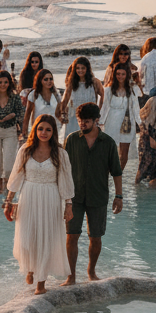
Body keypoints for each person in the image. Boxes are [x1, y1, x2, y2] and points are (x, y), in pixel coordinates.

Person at [4, 115, 74, 294]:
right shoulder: (25, 150)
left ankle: (41, 284)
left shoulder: (60, 153)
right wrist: (8, 202)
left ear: (53, 132)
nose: (44, 132)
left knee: (47, 239)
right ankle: (30, 268)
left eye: (48, 129)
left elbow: (66, 181)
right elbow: (16, 177)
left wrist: (68, 205)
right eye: (40, 128)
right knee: (28, 237)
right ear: (35, 130)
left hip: (51, 197)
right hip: (28, 195)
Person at [63, 103, 123, 285]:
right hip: (74, 197)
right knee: (71, 235)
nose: (82, 124)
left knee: (95, 237)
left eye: (86, 121)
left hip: (98, 196)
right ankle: (71, 276)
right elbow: (64, 170)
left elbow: (116, 171)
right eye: (80, 121)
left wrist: (119, 196)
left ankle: (91, 271)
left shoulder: (109, 143)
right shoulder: (71, 140)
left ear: (96, 120)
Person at [99, 63, 141, 172]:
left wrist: (140, 123)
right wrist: (99, 122)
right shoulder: (108, 90)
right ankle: (107, 174)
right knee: (109, 151)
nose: (120, 76)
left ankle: (117, 174)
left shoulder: (132, 89)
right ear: (114, 74)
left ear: (127, 75)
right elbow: (104, 107)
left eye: (123, 74)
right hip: (112, 122)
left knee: (124, 153)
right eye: (118, 74)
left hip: (127, 123)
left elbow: (136, 107)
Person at [59, 57, 103, 142]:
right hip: (73, 118)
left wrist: (98, 111)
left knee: (89, 142)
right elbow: (65, 101)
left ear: (87, 69)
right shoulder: (72, 83)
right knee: (73, 143)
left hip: (89, 117)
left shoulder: (94, 82)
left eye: (83, 68)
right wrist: (62, 114)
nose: (80, 70)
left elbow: (104, 97)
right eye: (78, 68)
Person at [23, 68, 61, 138]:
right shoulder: (33, 95)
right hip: (39, 129)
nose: (49, 81)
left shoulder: (57, 94)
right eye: (45, 79)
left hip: (54, 128)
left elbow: (59, 112)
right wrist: (24, 131)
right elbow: (28, 113)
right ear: (40, 80)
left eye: (51, 79)